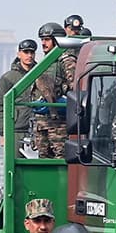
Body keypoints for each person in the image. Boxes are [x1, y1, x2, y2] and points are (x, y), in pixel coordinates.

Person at [30, 22, 70, 158]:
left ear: (56, 40)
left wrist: (60, 93)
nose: (43, 43)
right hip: (42, 122)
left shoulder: (65, 60)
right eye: (42, 39)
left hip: (58, 123)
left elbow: (75, 86)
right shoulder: (43, 63)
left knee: (61, 158)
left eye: (47, 39)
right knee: (43, 158)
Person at [0, 39, 36, 154]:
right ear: (19, 54)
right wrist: (3, 132)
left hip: (38, 128)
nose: (29, 55)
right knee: (15, 163)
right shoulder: (8, 78)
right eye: (26, 52)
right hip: (16, 129)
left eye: (31, 52)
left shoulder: (41, 74)